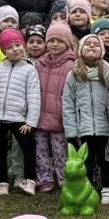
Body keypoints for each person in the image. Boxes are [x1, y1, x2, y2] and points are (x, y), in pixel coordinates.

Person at [63, 29, 109, 201]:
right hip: (83, 127)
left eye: (96, 45)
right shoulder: (73, 74)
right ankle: (89, 188)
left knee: (105, 159)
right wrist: (71, 131)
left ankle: (107, 187)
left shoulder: (108, 72)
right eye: (88, 44)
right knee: (87, 160)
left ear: (102, 51)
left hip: (103, 126)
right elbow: (68, 104)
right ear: (80, 49)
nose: (92, 46)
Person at [0, 29, 41, 195]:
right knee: (0, 150)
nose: (15, 49)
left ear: (23, 45)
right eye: (9, 47)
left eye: (17, 45)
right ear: (4, 51)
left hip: (19, 118)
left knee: (28, 148)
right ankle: (3, 183)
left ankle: (30, 180)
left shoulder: (29, 69)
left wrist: (31, 121)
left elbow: (34, 95)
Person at [32, 20, 76, 194]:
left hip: (59, 118)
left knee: (60, 152)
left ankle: (64, 179)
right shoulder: (40, 64)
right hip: (40, 116)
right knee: (40, 150)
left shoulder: (71, 65)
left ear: (67, 43)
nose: (55, 44)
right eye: (51, 41)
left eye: (59, 41)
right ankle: (44, 178)